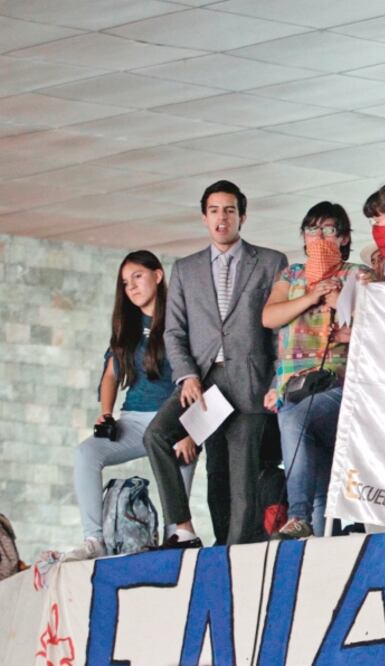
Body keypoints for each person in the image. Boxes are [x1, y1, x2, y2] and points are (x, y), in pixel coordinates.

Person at [144, 180, 288, 548]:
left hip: (250, 384)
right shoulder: (186, 269)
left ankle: (233, 562)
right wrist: (187, 376)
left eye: (229, 210)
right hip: (204, 383)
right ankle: (183, 527)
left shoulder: (271, 262)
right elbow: (173, 332)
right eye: (214, 211)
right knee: (158, 435)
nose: (221, 218)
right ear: (204, 217)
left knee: (240, 487)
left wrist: (276, 381)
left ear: (242, 215)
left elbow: (279, 334)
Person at [63, 251, 198, 560]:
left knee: (183, 461)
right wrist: (106, 413)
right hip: (134, 420)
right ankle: (94, 540)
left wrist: (192, 431)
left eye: (138, 276)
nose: (132, 287)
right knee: (86, 453)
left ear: (158, 275)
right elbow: (111, 375)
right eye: (126, 282)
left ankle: (174, 538)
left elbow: (199, 377)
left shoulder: (181, 318)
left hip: (174, 422)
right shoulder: (129, 325)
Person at [261, 202, 367, 540]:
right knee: (317, 468)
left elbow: (379, 319)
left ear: (344, 237)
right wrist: (309, 298)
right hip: (292, 386)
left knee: (295, 419)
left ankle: (297, 516)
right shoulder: (292, 275)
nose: (319, 238)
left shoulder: (358, 273)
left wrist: (337, 300)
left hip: (337, 385)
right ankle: (317, 543)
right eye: (312, 230)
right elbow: (269, 317)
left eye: (328, 231)